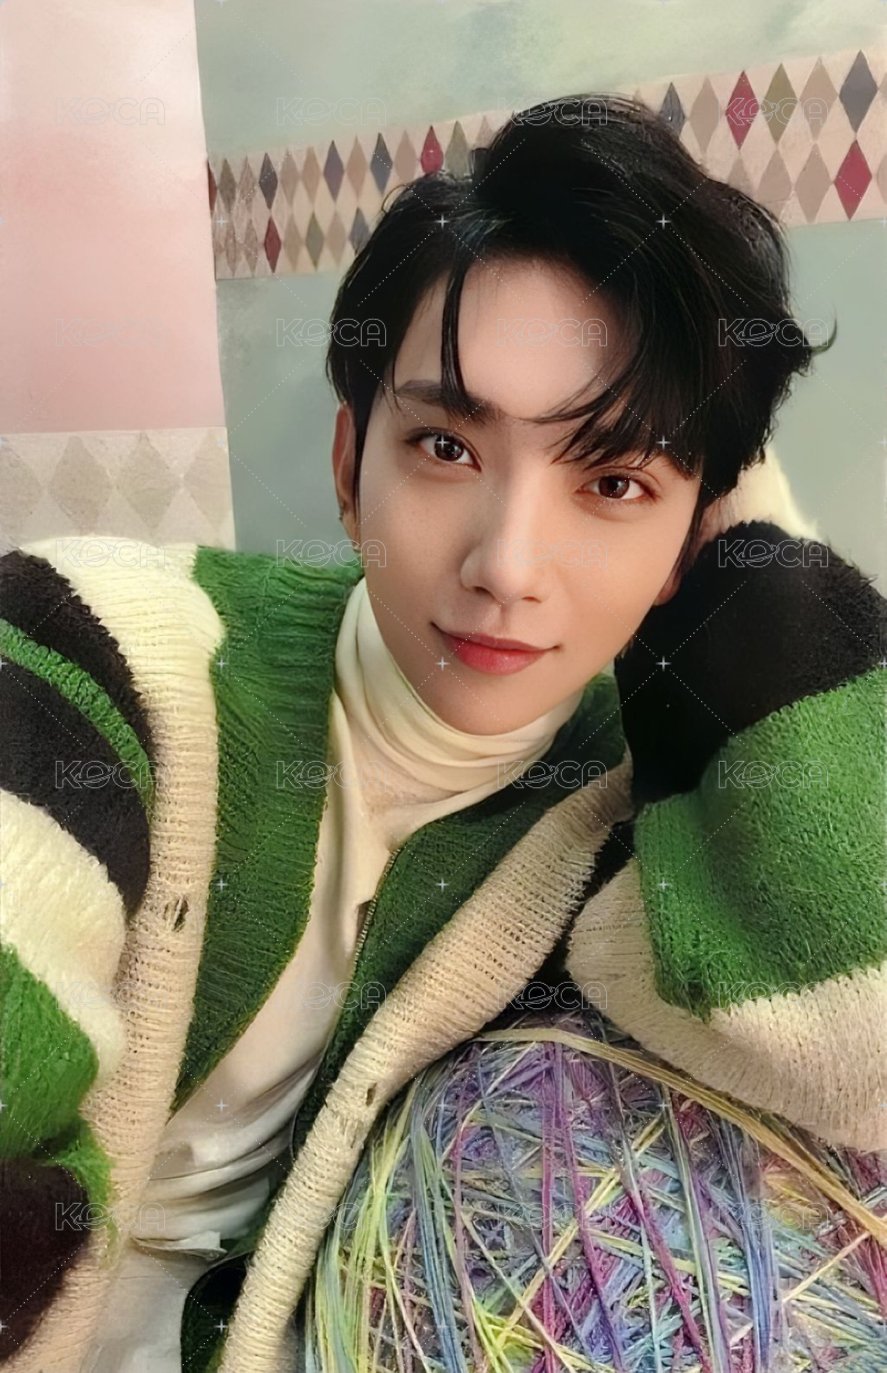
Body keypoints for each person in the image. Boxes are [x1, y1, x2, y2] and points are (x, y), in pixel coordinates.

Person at [1, 93, 883, 1373]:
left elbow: (860, 1054)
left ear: (694, 533)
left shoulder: (623, 819)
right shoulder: (88, 644)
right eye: (444, 445)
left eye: (614, 479)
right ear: (348, 463)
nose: (505, 566)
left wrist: (749, 554)